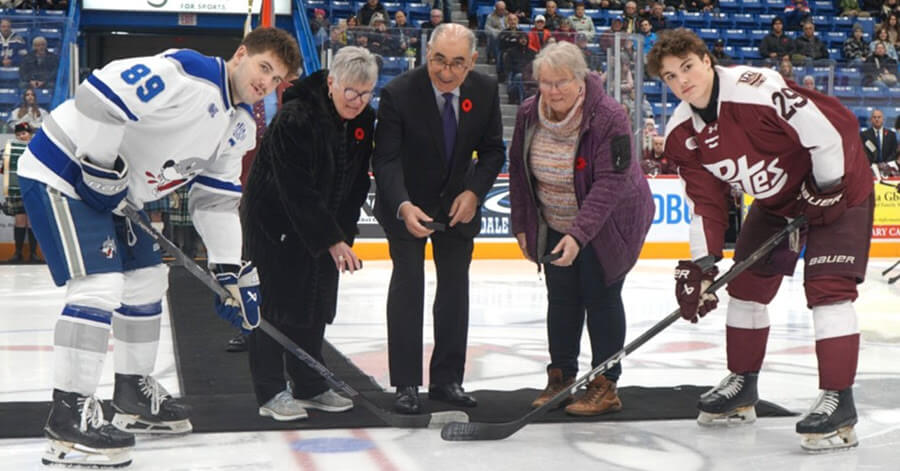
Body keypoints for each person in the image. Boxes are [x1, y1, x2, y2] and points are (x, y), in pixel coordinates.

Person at [16, 27, 300, 467]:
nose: (267, 82)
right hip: (63, 170)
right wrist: (100, 166)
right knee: (99, 285)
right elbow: (98, 95)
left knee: (148, 280)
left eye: (277, 78)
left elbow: (215, 202)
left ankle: (132, 396)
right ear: (241, 54)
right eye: (264, 67)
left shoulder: (239, 125)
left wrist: (228, 271)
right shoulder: (186, 73)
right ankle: (68, 420)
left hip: (114, 194)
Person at [647, 28, 874, 453]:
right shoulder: (681, 132)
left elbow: (831, 126)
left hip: (841, 188)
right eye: (670, 76)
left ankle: (839, 400)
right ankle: (743, 385)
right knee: (746, 290)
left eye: (688, 67)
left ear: (707, 60)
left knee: (828, 291)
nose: (682, 81)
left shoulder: (756, 89)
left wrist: (827, 186)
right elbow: (705, 201)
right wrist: (702, 263)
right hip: (777, 203)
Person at [508, 41, 653, 416]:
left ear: (580, 80)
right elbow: (520, 175)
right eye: (545, 82)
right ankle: (561, 377)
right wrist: (522, 224)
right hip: (555, 220)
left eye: (561, 82)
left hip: (610, 221)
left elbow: (611, 183)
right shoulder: (528, 114)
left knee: (600, 295)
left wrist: (578, 234)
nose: (552, 90)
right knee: (561, 297)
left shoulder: (609, 116)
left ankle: (605, 384)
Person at [372, 23, 505, 415]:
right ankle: (407, 383)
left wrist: (474, 192)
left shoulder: (483, 90)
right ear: (426, 54)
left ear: (473, 62)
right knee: (408, 287)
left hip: (457, 207)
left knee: (454, 292)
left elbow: (493, 151)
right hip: (408, 205)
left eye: (457, 64)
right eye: (439, 61)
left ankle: (447, 380)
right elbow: (386, 158)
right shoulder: (399, 93)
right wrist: (402, 204)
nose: (446, 73)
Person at [242, 46, 377, 422]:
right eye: (350, 91)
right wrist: (330, 239)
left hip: (321, 226)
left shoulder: (364, 119)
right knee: (274, 306)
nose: (357, 101)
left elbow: (354, 185)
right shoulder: (297, 117)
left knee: (314, 302)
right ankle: (270, 391)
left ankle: (310, 384)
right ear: (332, 82)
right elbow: (296, 187)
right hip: (274, 224)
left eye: (366, 93)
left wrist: (341, 236)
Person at [1, 122, 39, 262]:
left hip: (33, 188)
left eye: (23, 133)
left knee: (32, 221)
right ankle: (18, 253)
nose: (21, 137)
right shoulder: (10, 148)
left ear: (29, 133)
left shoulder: (37, 147)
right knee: (20, 220)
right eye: (18, 135)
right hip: (17, 189)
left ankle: (33, 254)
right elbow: (4, 166)